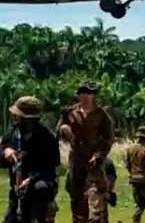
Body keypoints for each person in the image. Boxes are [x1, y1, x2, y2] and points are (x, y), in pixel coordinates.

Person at [0, 96, 60, 223]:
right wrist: (5, 152)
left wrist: (31, 179)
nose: (15, 117)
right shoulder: (12, 133)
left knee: (40, 189)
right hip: (17, 191)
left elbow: (51, 169)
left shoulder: (47, 138)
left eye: (18, 115)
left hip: (40, 192)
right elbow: (0, 159)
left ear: (30, 119)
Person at [59, 82, 115, 223]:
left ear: (93, 96)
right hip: (76, 157)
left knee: (97, 192)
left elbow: (108, 138)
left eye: (88, 93)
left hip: (94, 158)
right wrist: (65, 130)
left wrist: (99, 155)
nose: (85, 96)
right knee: (76, 193)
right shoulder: (70, 112)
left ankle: (99, 220)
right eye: (82, 93)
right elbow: (60, 131)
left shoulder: (102, 115)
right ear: (78, 96)